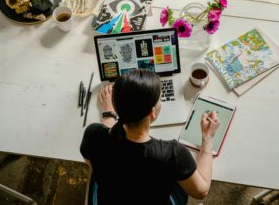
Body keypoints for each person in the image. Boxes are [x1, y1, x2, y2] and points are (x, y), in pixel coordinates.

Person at [80, 69, 220, 204]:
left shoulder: (93, 134)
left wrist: (108, 113)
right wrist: (207, 139)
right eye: (159, 99)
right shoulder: (172, 154)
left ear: (117, 107)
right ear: (152, 112)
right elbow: (201, 192)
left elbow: (92, 161)